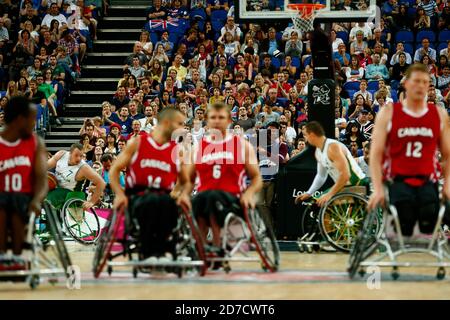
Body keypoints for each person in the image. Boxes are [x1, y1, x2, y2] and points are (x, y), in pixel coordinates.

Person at [368, 63, 450, 236]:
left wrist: (447, 185)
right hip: (398, 182)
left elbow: (448, 155)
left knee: (429, 220)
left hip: (428, 182)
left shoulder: (439, 114)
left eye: (425, 82)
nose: (420, 85)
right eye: (416, 81)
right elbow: (375, 155)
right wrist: (378, 189)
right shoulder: (388, 113)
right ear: (406, 84)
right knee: (405, 226)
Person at [177, 102, 262, 262]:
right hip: (204, 197)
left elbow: (257, 177)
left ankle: (216, 248)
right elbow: (189, 179)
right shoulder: (198, 148)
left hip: (234, 199)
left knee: (211, 198)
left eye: (221, 117)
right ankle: (201, 248)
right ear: (207, 121)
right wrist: (184, 195)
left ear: (229, 120)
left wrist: (250, 194)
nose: (216, 121)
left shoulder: (242, 145)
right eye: (213, 118)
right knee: (200, 201)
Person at [110, 107, 186, 261]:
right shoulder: (137, 143)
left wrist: (178, 194)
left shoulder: (176, 150)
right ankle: (148, 252)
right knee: (152, 201)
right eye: (179, 124)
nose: (182, 128)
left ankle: (165, 250)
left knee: (169, 203)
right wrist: (119, 194)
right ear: (166, 123)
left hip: (163, 196)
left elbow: (184, 180)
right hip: (137, 195)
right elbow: (115, 169)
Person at [0, 97, 48, 270]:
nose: (34, 123)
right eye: (32, 118)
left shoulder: (36, 143)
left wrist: (37, 200)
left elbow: (42, 180)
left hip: (24, 199)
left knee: (12, 202)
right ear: (20, 119)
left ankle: (16, 256)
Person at [295, 121, 367, 207]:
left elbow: (346, 175)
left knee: (324, 202)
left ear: (312, 135)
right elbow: (321, 176)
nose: (305, 138)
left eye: (306, 135)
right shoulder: (318, 152)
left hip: (357, 182)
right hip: (344, 186)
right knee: (315, 202)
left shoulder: (332, 147)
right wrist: (309, 193)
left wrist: (329, 194)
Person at [46, 143, 106, 211]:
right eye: (76, 155)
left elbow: (101, 183)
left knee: (49, 198)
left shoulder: (84, 168)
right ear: (70, 153)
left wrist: (91, 202)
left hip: (72, 193)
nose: (79, 158)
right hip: (56, 188)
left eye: (81, 156)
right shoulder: (61, 155)